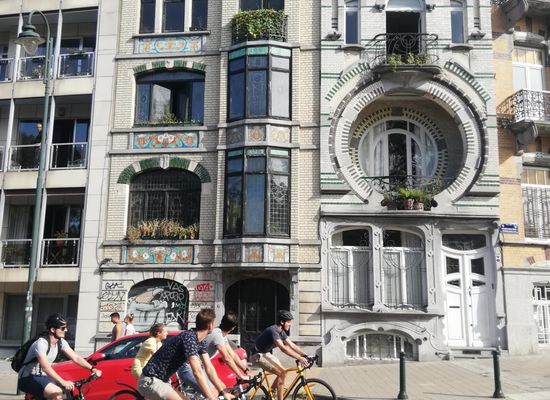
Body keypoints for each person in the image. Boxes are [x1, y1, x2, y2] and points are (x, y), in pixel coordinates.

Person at [137, 308, 233, 400]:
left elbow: (209, 367)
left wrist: (222, 392)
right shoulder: (189, 338)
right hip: (151, 380)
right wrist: (211, 397)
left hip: (161, 381)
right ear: (210, 326)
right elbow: (197, 372)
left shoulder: (199, 341)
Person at [17, 313, 103, 400]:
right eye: (63, 328)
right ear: (53, 329)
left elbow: (76, 358)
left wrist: (92, 369)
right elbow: (45, 367)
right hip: (28, 377)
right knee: (56, 393)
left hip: (44, 377)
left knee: (67, 394)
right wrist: (63, 381)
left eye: (66, 327)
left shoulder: (61, 342)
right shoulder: (41, 343)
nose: (66, 330)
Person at [177, 311, 252, 392]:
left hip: (199, 366)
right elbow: (227, 358)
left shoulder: (221, 335)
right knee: (214, 392)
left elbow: (232, 355)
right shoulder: (217, 335)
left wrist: (246, 370)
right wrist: (241, 375)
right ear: (233, 328)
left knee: (223, 388)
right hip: (189, 367)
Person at [250, 310, 308, 400]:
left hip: (265, 353)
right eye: (288, 322)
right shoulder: (273, 330)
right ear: (282, 322)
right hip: (257, 355)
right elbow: (283, 348)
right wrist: (299, 358)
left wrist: (305, 355)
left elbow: (292, 345)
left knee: (284, 371)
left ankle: (270, 395)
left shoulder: (281, 332)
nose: (290, 324)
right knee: (281, 373)